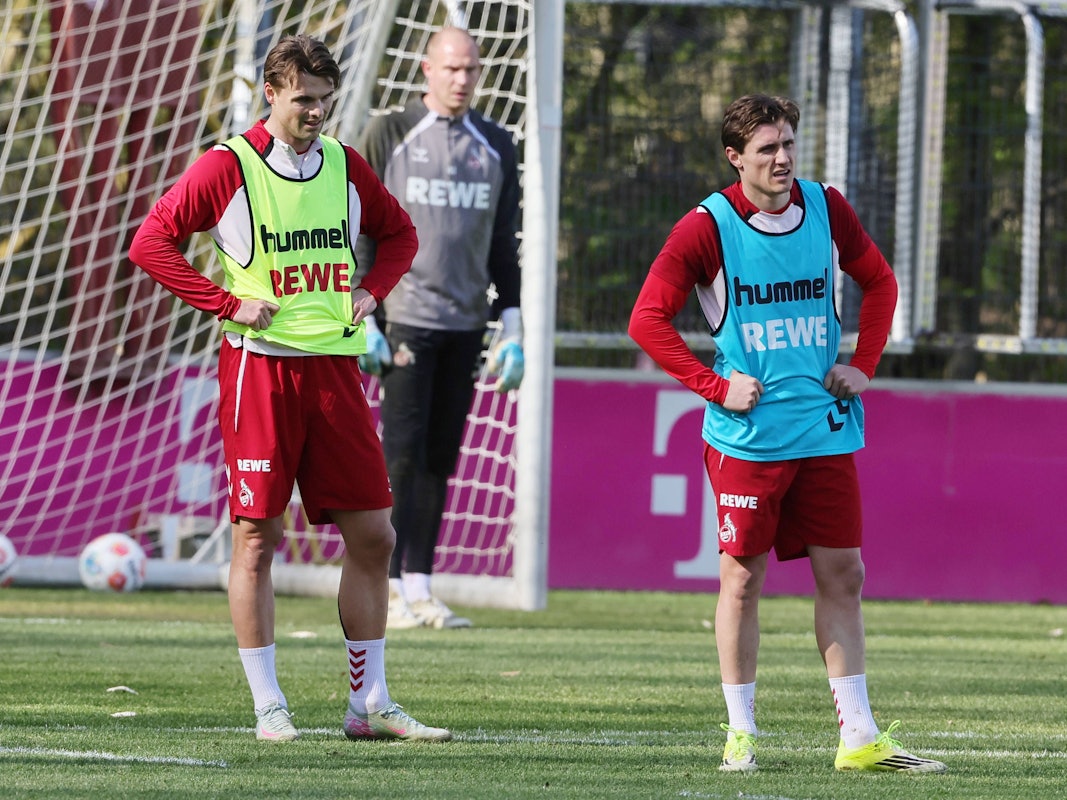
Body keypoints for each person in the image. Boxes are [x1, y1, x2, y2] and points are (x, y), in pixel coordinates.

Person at [129, 34, 450, 743]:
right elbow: (151, 243)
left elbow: (399, 235)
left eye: (324, 101)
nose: (316, 113)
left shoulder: (342, 163)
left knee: (374, 535)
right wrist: (223, 302)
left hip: (334, 368)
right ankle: (268, 703)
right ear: (269, 94)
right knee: (256, 537)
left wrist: (372, 290)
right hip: (259, 368)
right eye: (303, 99)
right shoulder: (229, 165)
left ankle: (368, 705)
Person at [628, 94, 946, 774]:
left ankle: (857, 737)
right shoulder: (705, 227)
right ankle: (739, 734)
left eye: (788, 144)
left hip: (824, 431)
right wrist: (714, 387)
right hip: (748, 441)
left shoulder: (826, 207)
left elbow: (879, 281)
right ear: (734, 156)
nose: (781, 158)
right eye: (766, 148)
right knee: (741, 581)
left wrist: (862, 365)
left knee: (844, 573)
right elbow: (646, 320)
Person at [354, 26, 524, 630]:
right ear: (426, 69)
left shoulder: (497, 145)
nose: (462, 79)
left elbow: (504, 245)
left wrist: (514, 325)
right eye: (452, 68)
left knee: (439, 457)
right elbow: (360, 230)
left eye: (472, 70)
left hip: (465, 324)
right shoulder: (390, 133)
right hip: (403, 317)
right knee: (399, 454)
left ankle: (420, 584)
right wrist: (364, 312)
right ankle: (392, 584)